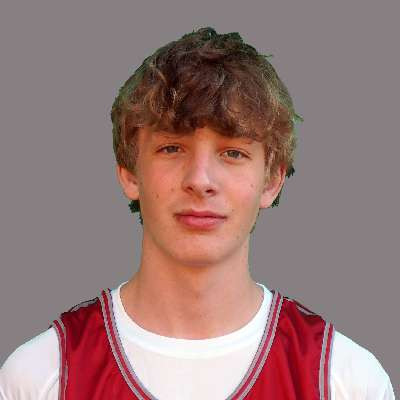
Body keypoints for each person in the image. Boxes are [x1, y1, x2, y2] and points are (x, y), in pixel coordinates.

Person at [0, 26, 395, 400]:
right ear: (129, 173)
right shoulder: (43, 374)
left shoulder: (342, 379)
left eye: (233, 152)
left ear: (272, 181)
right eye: (172, 148)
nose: (200, 180)